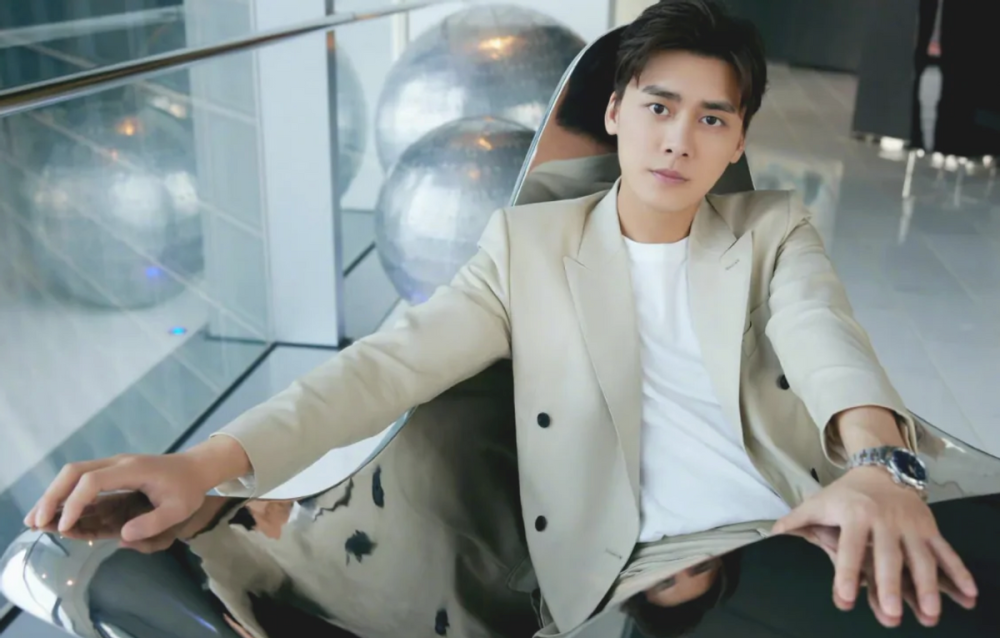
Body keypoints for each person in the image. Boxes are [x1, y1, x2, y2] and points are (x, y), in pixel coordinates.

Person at [26, 0, 979, 635]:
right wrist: (202, 464)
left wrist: (880, 465)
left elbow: (822, 334)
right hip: (630, 560)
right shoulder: (530, 251)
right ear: (615, 111)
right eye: (660, 107)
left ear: (737, 140)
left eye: (712, 118)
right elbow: (385, 368)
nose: (679, 140)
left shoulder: (772, 227)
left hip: (806, 510)